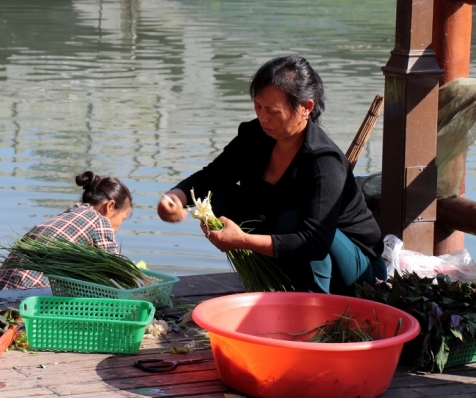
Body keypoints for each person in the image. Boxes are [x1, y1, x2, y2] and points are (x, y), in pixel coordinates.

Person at [157, 55, 386, 295]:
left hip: (359, 274)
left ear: (306, 107)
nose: (263, 118)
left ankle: (315, 305)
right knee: (222, 198)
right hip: (296, 249)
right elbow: (213, 176)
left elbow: (315, 243)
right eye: (258, 107)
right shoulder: (255, 136)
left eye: (273, 111)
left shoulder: (323, 161)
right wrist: (175, 198)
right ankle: (277, 288)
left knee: (292, 222)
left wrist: (242, 240)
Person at [0, 171, 133, 291]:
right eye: (123, 218)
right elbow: (117, 274)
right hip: (26, 293)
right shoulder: (99, 221)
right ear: (110, 206)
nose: (120, 225)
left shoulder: (69, 215)